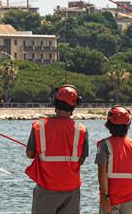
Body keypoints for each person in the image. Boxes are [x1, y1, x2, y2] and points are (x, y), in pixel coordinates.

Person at [25, 84, 89, 214]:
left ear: (55, 103)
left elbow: (30, 154)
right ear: (74, 106)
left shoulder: (39, 126)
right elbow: (81, 160)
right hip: (71, 190)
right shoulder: (81, 130)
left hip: (46, 189)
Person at [96, 105, 132, 214]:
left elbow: (102, 172)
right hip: (130, 199)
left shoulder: (103, 145)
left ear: (109, 125)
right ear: (128, 125)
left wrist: (104, 198)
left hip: (110, 199)